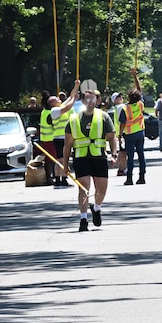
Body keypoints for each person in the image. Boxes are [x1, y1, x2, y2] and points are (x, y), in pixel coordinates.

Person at [66, 81, 118, 231]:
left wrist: (114, 154)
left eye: (92, 99)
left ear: (97, 101)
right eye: (87, 99)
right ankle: (83, 220)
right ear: (82, 101)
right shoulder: (74, 119)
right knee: (84, 189)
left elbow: (112, 137)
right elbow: (68, 144)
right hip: (81, 158)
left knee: (101, 189)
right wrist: (64, 164)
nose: (89, 102)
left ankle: (97, 208)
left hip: (99, 157)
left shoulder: (104, 117)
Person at [38, 92, 72, 187]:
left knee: (57, 160)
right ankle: (61, 178)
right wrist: (73, 98)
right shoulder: (54, 111)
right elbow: (67, 107)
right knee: (62, 160)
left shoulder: (46, 111)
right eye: (56, 99)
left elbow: (67, 102)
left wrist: (73, 95)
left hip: (51, 138)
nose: (59, 98)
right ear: (52, 103)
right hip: (55, 137)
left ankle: (57, 178)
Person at [120, 77, 148, 185]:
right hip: (140, 133)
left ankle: (129, 178)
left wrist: (119, 134)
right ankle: (142, 177)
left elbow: (122, 123)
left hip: (129, 134)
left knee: (130, 157)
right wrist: (135, 76)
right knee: (141, 155)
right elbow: (139, 89)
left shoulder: (125, 109)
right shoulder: (140, 104)